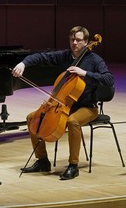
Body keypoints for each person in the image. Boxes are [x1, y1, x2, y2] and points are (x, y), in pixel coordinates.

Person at [12, 26, 114, 180]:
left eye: (78, 40)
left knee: (73, 122)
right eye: (72, 39)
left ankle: (73, 165)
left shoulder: (95, 60)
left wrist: (84, 73)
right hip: (63, 106)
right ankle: (42, 161)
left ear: (86, 42)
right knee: (32, 118)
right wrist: (23, 63)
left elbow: (108, 79)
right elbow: (41, 57)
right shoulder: (65, 56)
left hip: (87, 107)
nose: (74, 43)